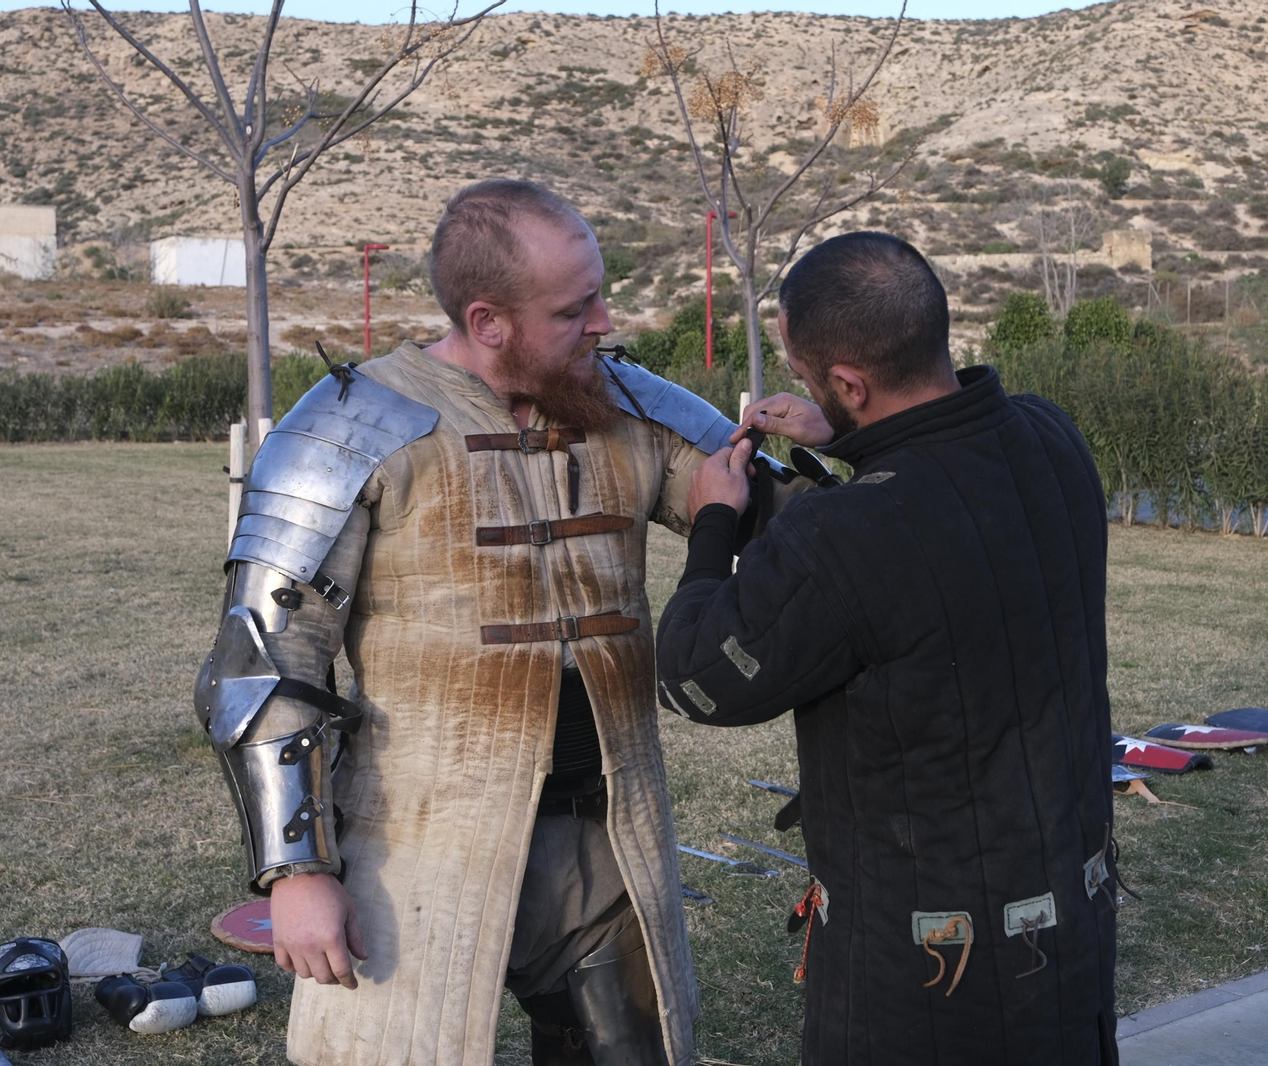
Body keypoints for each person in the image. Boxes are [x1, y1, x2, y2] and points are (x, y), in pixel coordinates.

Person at [193, 179, 808, 1066]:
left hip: (608, 842)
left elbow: (805, 536)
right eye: (573, 308)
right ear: (488, 322)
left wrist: (848, 439)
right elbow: (260, 659)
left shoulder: (630, 407)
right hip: (422, 844)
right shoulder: (350, 426)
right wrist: (297, 873)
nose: (603, 321)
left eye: (597, 293)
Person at [654, 231, 1119, 1065]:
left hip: (924, 974)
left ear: (848, 382)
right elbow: (944, 501)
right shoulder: (1053, 441)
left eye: (806, 377)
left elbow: (697, 676)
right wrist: (846, 437)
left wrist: (714, 521)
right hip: (1066, 931)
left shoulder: (845, 537)